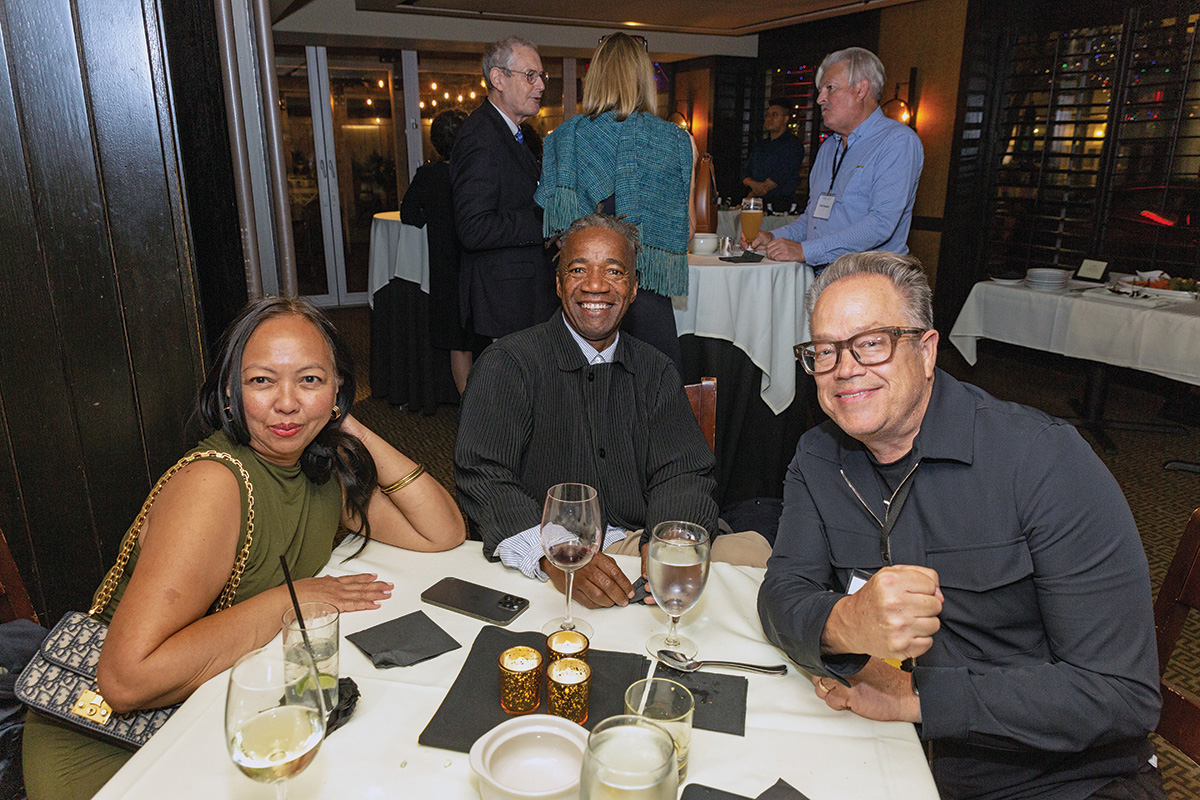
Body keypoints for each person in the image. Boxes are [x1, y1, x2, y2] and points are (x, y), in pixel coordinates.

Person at [757, 251, 1165, 800]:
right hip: (888, 754)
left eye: (872, 342)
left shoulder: (1041, 461)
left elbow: (1118, 693)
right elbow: (782, 594)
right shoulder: (818, 458)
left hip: (1053, 778)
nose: (845, 368)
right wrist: (848, 622)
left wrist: (920, 699)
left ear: (926, 352)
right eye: (825, 351)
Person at [23, 297, 466, 800]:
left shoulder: (316, 465)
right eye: (261, 381)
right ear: (231, 395)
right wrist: (291, 599)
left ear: (339, 388)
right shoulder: (214, 485)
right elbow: (127, 680)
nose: (287, 403)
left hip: (223, 699)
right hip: (115, 743)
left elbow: (441, 533)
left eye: (311, 380)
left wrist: (351, 426)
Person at [455, 214, 770, 608]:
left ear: (634, 288)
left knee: (757, 565)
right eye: (578, 269)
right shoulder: (509, 363)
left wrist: (664, 543)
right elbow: (482, 473)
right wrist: (553, 554)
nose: (595, 285)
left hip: (638, 546)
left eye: (614, 271)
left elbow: (684, 471)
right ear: (558, 283)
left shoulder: (655, 370)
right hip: (543, 560)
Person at [535, 32, 696, 372]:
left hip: (584, 297)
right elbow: (687, 230)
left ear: (594, 77)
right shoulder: (675, 141)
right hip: (646, 295)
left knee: (574, 398)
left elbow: (553, 226)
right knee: (654, 400)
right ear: (643, 78)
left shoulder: (563, 139)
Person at [744, 48, 923, 269]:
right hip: (822, 279)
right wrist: (774, 237)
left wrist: (805, 251)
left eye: (830, 88)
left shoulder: (897, 141)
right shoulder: (829, 148)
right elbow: (814, 218)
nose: (820, 99)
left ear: (861, 89)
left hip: (870, 284)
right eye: (820, 91)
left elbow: (880, 224)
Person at [451, 35, 556, 340]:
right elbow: (474, 227)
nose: (541, 86)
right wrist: (547, 225)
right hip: (506, 303)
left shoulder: (511, 133)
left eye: (541, 76)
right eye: (530, 76)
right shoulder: (481, 138)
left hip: (520, 297)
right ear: (498, 78)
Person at [401, 108, 476, 394]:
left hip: (446, 267)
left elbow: (410, 215)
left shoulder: (429, 176)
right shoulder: (474, 171)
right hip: (477, 263)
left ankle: (469, 406)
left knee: (458, 342)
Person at [742, 99, 804, 209]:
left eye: (774, 115)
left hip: (779, 204)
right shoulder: (760, 145)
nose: (769, 119)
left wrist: (757, 191)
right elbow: (746, 172)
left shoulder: (793, 145)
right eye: (767, 115)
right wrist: (753, 185)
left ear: (785, 119)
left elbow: (780, 175)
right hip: (754, 202)